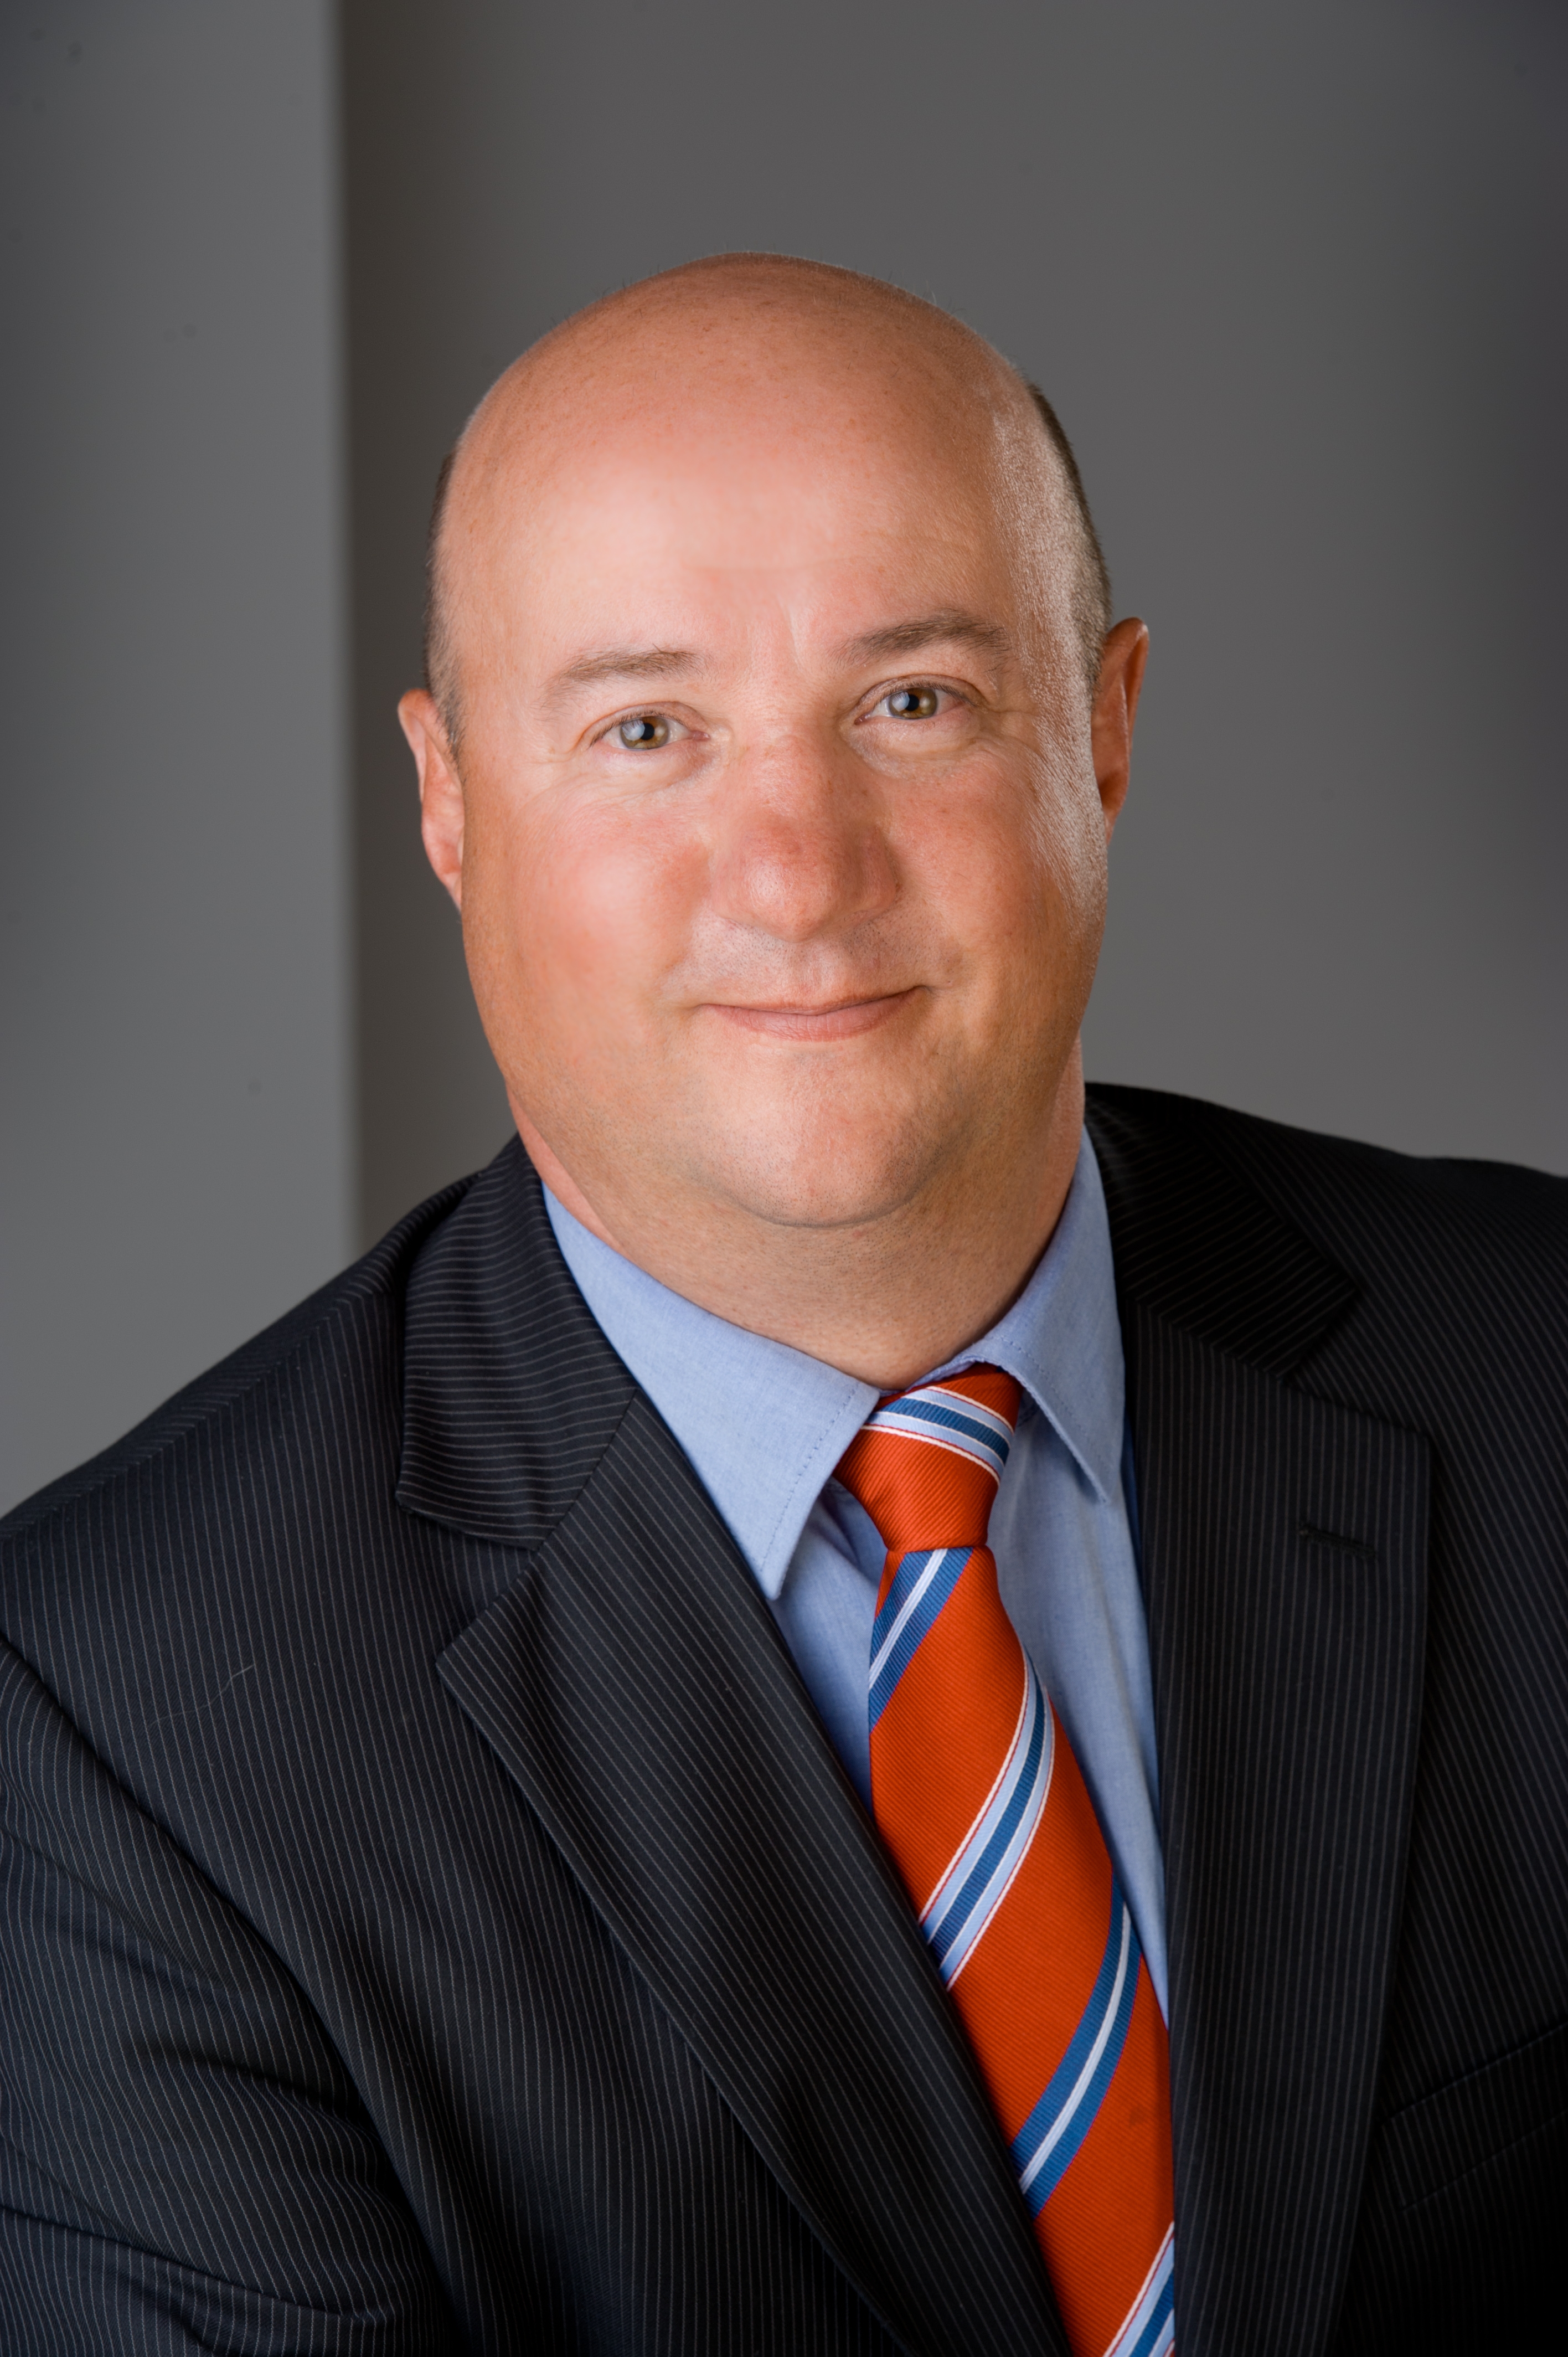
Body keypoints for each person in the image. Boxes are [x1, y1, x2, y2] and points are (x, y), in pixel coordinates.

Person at [1, 255, 1562, 2357]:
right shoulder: (119, 1726)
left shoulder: (1538, 1373)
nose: (799, 872)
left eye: (913, 702)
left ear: (1103, 728)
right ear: (449, 799)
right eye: (645, 730)